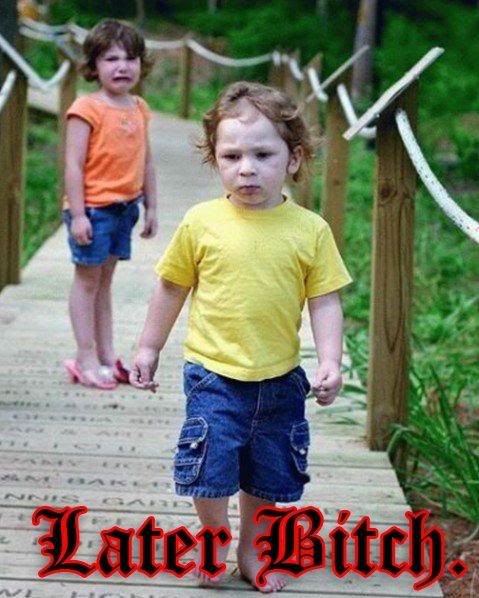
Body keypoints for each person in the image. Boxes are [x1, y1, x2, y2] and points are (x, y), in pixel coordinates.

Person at [130, 81, 352, 592]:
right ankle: (213, 536)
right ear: (215, 159)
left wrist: (331, 361)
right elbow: (171, 286)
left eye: (262, 155)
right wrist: (148, 346)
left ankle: (253, 547)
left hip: (280, 377)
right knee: (209, 465)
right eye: (231, 156)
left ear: (294, 159)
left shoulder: (310, 230)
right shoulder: (202, 222)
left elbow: (324, 300)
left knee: (267, 471)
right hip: (213, 375)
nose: (246, 168)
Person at [63, 19, 157, 390]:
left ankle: (106, 355)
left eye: (130, 58)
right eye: (111, 59)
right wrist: (78, 214)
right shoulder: (86, 108)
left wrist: (151, 206)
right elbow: (73, 165)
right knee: (87, 281)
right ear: (94, 65)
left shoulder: (140, 108)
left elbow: (146, 160)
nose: (122, 66)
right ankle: (84, 357)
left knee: (105, 283)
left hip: (125, 208)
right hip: (93, 210)